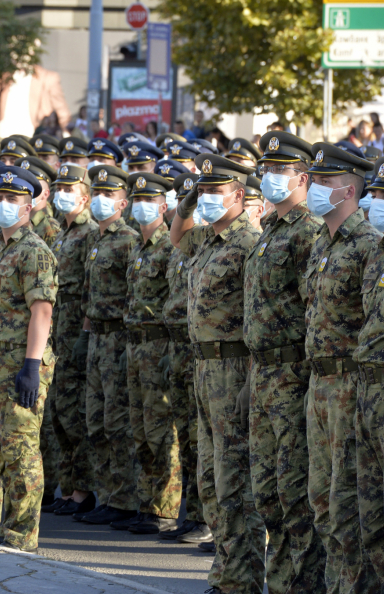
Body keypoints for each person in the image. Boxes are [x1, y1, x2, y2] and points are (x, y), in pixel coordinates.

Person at [171, 154, 265, 594]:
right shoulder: (208, 238)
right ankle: (225, 573)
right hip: (205, 367)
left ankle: (242, 577)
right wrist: (188, 201)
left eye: (214, 192)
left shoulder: (249, 242)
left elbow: (255, 316)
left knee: (233, 478)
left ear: (240, 197)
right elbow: (178, 238)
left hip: (233, 367)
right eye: (203, 190)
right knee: (211, 476)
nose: (207, 199)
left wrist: (250, 378)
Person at [244, 132, 326, 592]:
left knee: (296, 493)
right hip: (263, 375)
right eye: (267, 170)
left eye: (280, 171)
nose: (271, 178)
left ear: (302, 178)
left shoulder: (307, 232)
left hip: (293, 375)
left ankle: (304, 584)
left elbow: (315, 307)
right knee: (268, 492)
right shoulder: (270, 228)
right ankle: (279, 581)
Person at [302, 143, 381, 593]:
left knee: (347, 501)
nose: (314, 187)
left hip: (352, 383)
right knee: (322, 501)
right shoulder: (322, 243)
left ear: (349, 189)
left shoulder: (367, 245)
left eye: (324, 181)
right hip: (319, 383)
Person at [0, 164, 56, 552]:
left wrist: (31, 365)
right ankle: (9, 523)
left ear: (28, 208)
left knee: (22, 448)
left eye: (13, 200)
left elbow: (41, 311)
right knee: (0, 446)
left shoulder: (34, 252)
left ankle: (23, 533)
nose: (4, 204)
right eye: (0, 198)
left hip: (18, 360)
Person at [75, 164, 141, 528]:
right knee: (95, 421)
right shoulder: (97, 241)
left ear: (123, 202)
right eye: (96, 194)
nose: (101, 201)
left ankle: (125, 498)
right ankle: (108, 493)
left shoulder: (128, 239)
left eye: (109, 196)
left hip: (118, 337)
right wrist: (85, 333)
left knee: (117, 422)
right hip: (97, 336)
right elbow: (89, 294)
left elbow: (136, 293)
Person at [122, 171, 180, 535]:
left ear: (163, 206)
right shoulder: (139, 248)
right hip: (135, 343)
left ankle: (164, 508)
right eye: (136, 200)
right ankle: (146, 503)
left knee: (161, 427)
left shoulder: (169, 245)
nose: (141, 207)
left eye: (149, 201)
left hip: (158, 341)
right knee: (140, 427)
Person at [42, 164, 98, 520]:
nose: (63, 193)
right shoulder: (60, 234)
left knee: (77, 417)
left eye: (70, 188)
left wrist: (84, 335)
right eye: (59, 186)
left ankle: (82, 490)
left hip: (76, 335)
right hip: (57, 336)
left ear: (85, 196)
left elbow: (91, 291)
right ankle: (67, 487)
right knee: (59, 417)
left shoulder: (89, 233)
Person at [158, 172, 208, 544]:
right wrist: (186, 205)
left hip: (210, 356)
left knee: (201, 440)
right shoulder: (197, 240)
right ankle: (193, 514)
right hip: (180, 348)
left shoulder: (233, 241)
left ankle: (206, 519)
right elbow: (177, 235)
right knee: (188, 437)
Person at [356, 156, 384, 585]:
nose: (376, 203)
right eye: (376, 194)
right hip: (368, 390)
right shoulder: (377, 251)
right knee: (370, 511)